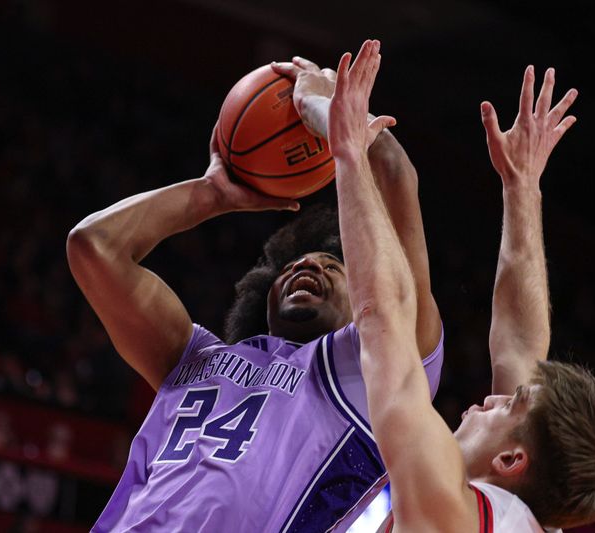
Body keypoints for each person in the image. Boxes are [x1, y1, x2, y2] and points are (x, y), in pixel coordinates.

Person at [66, 40, 443, 531]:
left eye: (334, 265)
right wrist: (211, 195)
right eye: (293, 264)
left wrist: (340, 119)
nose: (309, 265)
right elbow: (94, 247)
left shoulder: (369, 380)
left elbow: (396, 180)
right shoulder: (192, 357)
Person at [336, 61, 595, 532]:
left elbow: (383, 320)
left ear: (512, 458)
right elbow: (520, 343)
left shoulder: (449, 510)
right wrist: (522, 185)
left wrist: (350, 153)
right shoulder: (525, 513)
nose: (490, 401)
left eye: (510, 404)